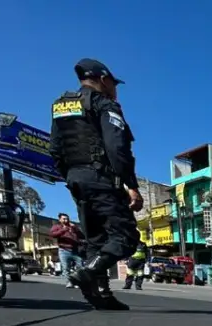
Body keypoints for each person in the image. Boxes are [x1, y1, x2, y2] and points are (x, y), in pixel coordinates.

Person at [49, 58, 143, 311]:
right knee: (126, 236)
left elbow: (55, 148)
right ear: (103, 79)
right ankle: (88, 272)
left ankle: (100, 295)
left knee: (95, 240)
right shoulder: (104, 104)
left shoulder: (62, 106)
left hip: (76, 180)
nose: (115, 89)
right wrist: (130, 185)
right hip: (101, 178)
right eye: (114, 83)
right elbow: (117, 147)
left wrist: (71, 177)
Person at [49, 212, 84, 287]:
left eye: (67, 218)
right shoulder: (57, 226)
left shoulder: (73, 227)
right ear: (60, 219)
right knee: (66, 268)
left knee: (80, 266)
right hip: (63, 250)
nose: (66, 220)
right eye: (64, 219)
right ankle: (69, 282)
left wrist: (76, 228)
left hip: (75, 250)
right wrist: (63, 230)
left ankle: (78, 281)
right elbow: (52, 234)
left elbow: (82, 236)